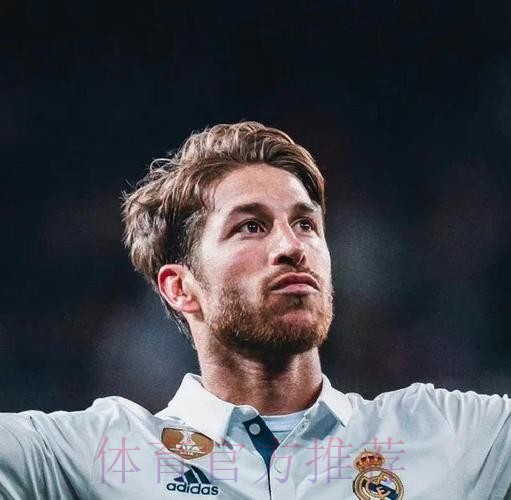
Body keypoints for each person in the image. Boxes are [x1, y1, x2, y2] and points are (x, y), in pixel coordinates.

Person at [0, 122, 509, 499]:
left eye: (306, 224)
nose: (292, 247)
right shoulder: (93, 455)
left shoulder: (445, 434)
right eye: (251, 226)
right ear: (180, 287)